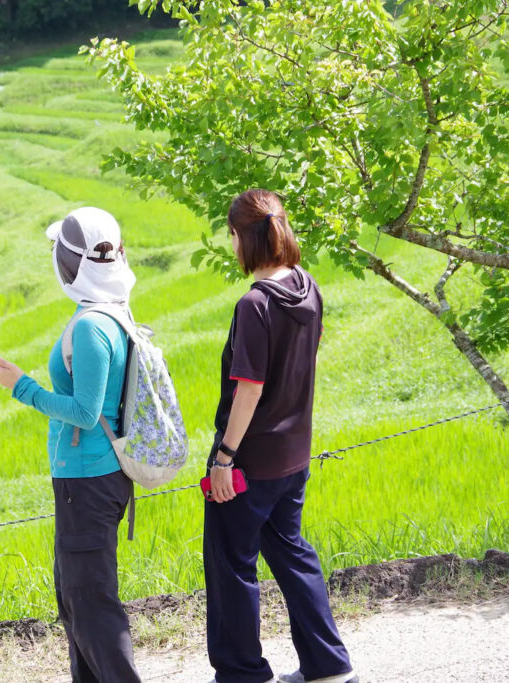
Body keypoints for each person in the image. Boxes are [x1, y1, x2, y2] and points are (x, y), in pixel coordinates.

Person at [203, 189, 358, 683]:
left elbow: (248, 389)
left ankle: (243, 674)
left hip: (249, 460)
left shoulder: (255, 304)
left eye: (230, 236)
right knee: (292, 554)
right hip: (294, 455)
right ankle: (329, 667)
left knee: (231, 567)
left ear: (242, 237)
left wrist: (225, 457)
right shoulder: (306, 286)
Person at [0, 206, 141, 683]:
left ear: (71, 265)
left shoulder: (93, 326)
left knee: (92, 607)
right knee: (76, 603)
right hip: (88, 480)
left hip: (89, 481)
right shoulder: (112, 310)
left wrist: (22, 387)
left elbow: (84, 411)